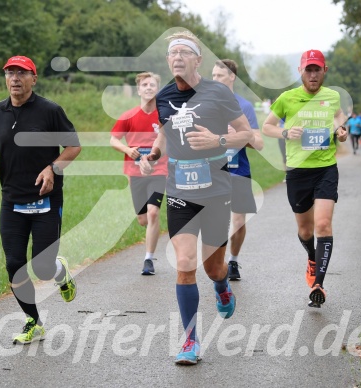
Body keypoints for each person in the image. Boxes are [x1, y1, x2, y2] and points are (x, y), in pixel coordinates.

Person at [139, 31, 253, 365]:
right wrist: (155, 152)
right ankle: (190, 340)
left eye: (184, 52)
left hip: (217, 192)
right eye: (171, 52)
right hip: (179, 191)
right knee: (185, 264)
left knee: (213, 267)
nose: (177, 56)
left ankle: (221, 286)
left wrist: (218, 140)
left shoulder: (218, 92)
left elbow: (246, 133)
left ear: (198, 60)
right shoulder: (163, 97)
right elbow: (164, 129)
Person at [0, 56, 81, 344]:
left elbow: (73, 146)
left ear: (33, 79)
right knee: (14, 263)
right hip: (12, 200)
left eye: (21, 73)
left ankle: (60, 271)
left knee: (43, 266)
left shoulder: (50, 111)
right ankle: (33, 321)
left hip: (46, 200)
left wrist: (53, 168)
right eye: (10, 73)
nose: (15, 78)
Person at [262, 49, 348, 308]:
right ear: (300, 71)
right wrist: (286, 132)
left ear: (325, 71)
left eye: (317, 69)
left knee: (323, 225)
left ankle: (318, 284)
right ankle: (312, 257)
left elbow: (338, 119)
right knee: (305, 230)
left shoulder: (332, 97)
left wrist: (341, 131)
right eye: (308, 70)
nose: (313, 74)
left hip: (325, 169)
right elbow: (267, 127)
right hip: (298, 172)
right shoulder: (287, 98)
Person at [110, 72, 167, 275]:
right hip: (135, 173)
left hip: (159, 171)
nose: (149, 87)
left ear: (157, 89)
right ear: (139, 89)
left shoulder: (163, 115)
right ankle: (152, 229)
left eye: (153, 84)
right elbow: (113, 140)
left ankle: (148, 259)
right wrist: (128, 150)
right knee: (143, 219)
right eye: (145, 84)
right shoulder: (129, 115)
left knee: (153, 212)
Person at [211, 59, 264, 281]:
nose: (215, 80)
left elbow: (259, 143)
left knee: (239, 221)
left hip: (238, 169)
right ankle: (216, 263)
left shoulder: (245, 107)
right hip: (213, 171)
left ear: (232, 77)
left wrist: (243, 135)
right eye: (212, 77)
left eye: (220, 76)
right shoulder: (206, 105)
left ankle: (233, 260)